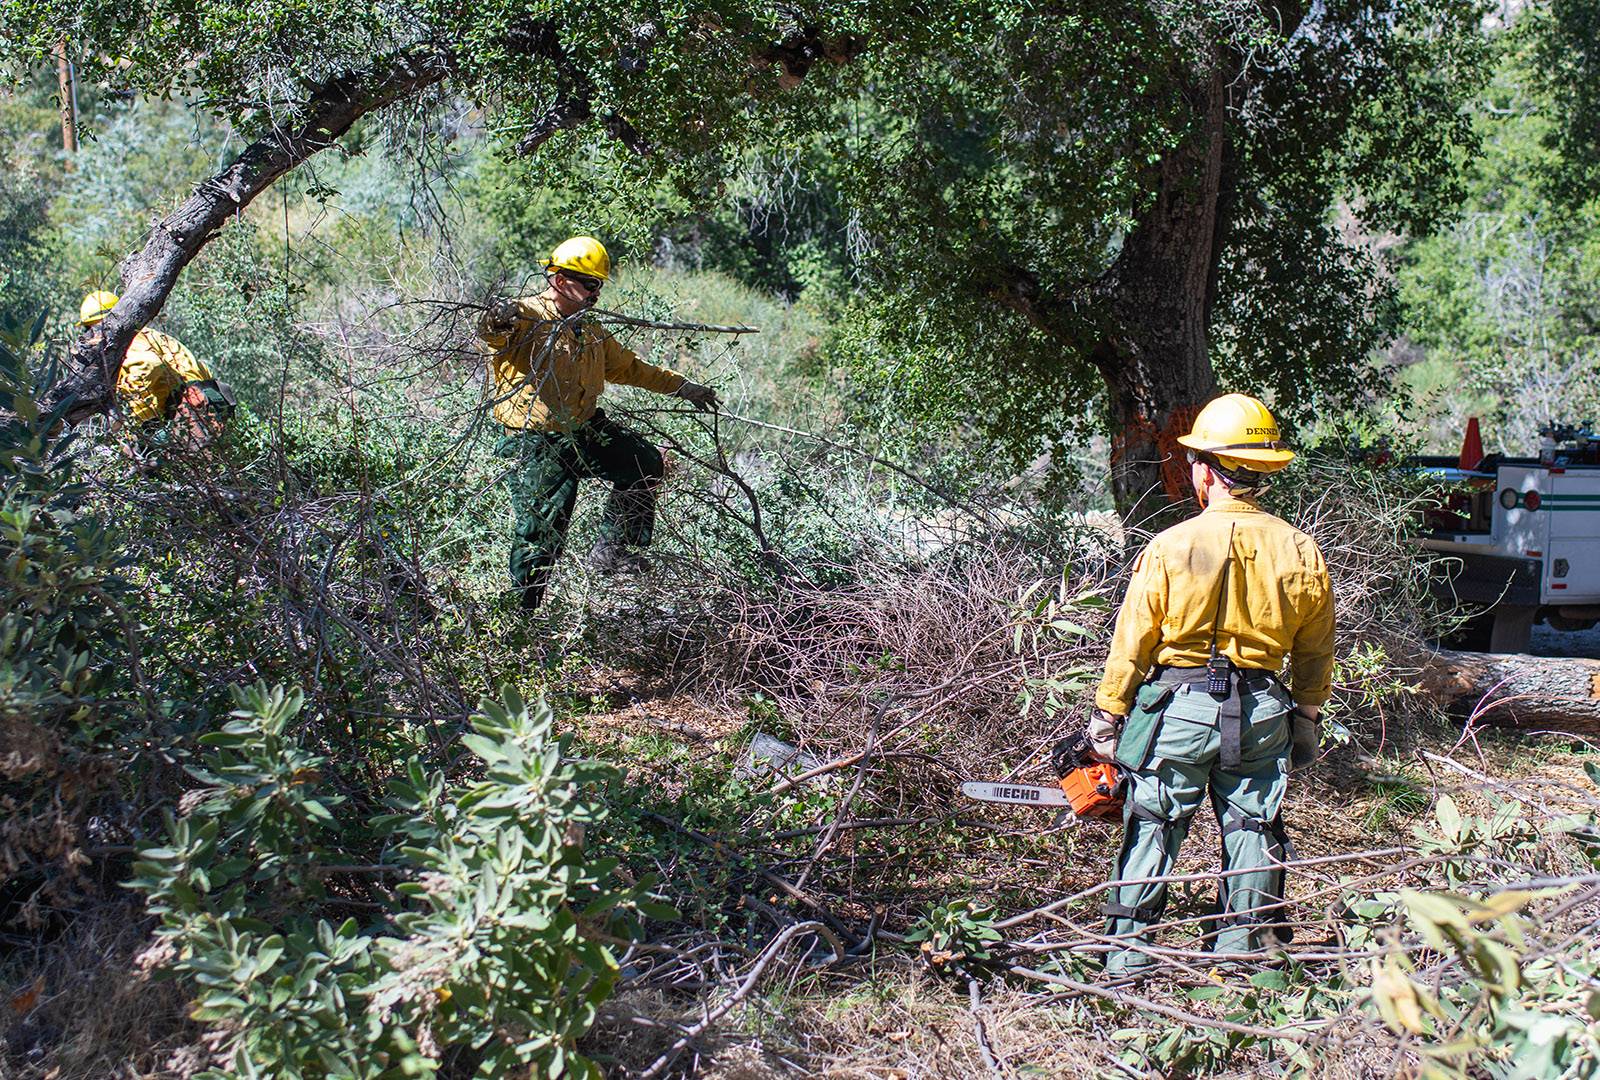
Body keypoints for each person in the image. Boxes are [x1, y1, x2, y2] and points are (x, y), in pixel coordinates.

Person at [1087, 393, 1334, 976]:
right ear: (1261, 471)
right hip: (1263, 713)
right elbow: (1314, 652)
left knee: (1154, 823)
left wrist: (1107, 718)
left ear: (1205, 469)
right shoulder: (1300, 549)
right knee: (1254, 826)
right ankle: (1245, 961)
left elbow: (1132, 644)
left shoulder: (1170, 546)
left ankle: (1128, 960)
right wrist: (1305, 720)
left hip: (1179, 711)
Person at [477, 236, 720, 611]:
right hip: (536, 442)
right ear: (560, 281)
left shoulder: (590, 330)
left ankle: (611, 552)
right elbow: (492, 332)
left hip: (585, 430)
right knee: (541, 534)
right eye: (591, 284)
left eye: (600, 285)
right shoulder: (525, 316)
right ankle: (520, 620)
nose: (597, 292)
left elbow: (630, 368)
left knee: (642, 462)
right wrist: (497, 315)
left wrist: (683, 387)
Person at [78, 291, 235, 453]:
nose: (88, 335)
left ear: (103, 324)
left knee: (145, 461)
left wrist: (144, 424)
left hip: (191, 407)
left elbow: (148, 366)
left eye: (89, 329)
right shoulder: (150, 336)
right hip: (206, 401)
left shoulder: (126, 342)